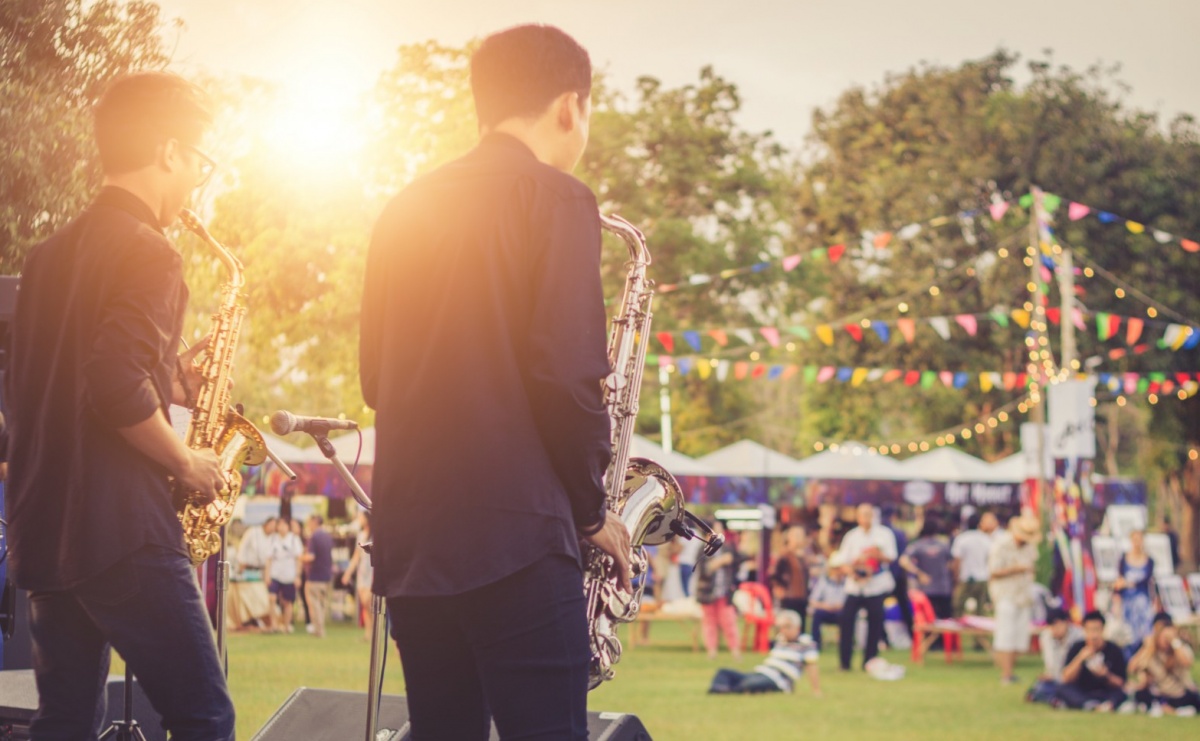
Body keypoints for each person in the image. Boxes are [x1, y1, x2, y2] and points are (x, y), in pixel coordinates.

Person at [358, 24, 631, 740]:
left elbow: (375, 379)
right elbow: (567, 375)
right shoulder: (559, 198)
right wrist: (592, 511)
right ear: (570, 107)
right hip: (518, 541)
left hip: (413, 543)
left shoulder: (403, 206)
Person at [3, 71, 235, 739]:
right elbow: (110, 383)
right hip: (121, 530)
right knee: (205, 717)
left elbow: (48, 386)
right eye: (197, 162)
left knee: (65, 722)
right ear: (168, 151)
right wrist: (186, 460)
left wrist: (167, 379)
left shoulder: (46, 258)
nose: (195, 181)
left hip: (46, 529)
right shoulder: (152, 252)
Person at [836, 504, 898, 671]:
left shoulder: (884, 534)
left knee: (875, 623)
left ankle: (869, 661)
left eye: (868, 514)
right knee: (846, 620)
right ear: (857, 517)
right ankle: (845, 662)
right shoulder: (852, 536)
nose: (866, 518)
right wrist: (852, 571)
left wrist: (875, 555)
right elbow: (842, 560)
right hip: (855, 586)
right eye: (862, 515)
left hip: (876, 585)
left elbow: (891, 557)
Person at [707, 610, 821, 696]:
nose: (783, 631)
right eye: (780, 628)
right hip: (762, 672)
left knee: (749, 684)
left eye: (787, 627)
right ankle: (722, 690)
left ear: (797, 628)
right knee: (723, 672)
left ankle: (727, 691)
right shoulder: (780, 640)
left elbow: (812, 666)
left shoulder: (806, 643)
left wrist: (816, 690)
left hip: (778, 680)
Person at [988, 513, 1041, 685]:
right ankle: (1006, 673)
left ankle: (1010, 671)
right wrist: (1015, 569)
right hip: (1006, 594)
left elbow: (1032, 565)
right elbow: (993, 572)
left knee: (1020, 636)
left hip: (1023, 595)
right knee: (1006, 634)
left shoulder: (1029, 547)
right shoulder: (1001, 545)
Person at [1129, 613, 1199, 715]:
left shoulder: (1180, 647)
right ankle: (1169, 709)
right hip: (1160, 694)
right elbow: (1132, 669)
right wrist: (1146, 649)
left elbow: (1187, 663)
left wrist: (1174, 641)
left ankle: (1171, 710)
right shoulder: (1151, 651)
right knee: (1141, 694)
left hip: (1180, 693)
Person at [1058, 610, 1128, 711]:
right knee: (1062, 689)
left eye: (1096, 630)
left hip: (1105, 692)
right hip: (1082, 692)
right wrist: (1080, 658)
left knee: (1121, 693)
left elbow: (1122, 683)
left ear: (1103, 630)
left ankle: (1107, 705)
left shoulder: (1114, 650)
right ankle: (1088, 705)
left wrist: (1106, 675)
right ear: (1084, 630)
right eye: (1090, 630)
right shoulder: (1077, 647)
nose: (1093, 635)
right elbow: (1065, 678)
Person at [695, 520, 742, 660]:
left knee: (729, 621)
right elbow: (702, 570)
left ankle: (735, 650)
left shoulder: (727, 547)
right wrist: (718, 562)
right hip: (708, 592)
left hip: (724, 592)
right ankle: (712, 651)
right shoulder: (703, 549)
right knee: (709, 622)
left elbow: (738, 562)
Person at [1112, 529, 1156, 653]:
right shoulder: (1123, 559)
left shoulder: (1149, 560)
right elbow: (1119, 581)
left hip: (1142, 601)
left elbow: (1147, 581)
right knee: (1127, 630)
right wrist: (1117, 598)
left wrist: (1128, 583)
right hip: (1127, 601)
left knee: (1144, 629)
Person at [1027, 608, 1083, 704]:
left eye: (1057, 625)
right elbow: (1050, 663)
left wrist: (1057, 676)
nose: (1054, 630)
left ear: (1066, 623)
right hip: (1055, 678)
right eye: (1052, 626)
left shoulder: (1079, 636)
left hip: (1074, 678)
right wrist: (1050, 676)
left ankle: (1056, 698)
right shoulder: (1046, 636)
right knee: (1041, 686)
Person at [900, 521, 954, 619]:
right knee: (946, 620)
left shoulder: (917, 545)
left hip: (926, 588)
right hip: (943, 587)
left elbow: (903, 561)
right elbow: (951, 563)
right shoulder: (944, 544)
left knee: (928, 620)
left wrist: (919, 573)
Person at [951, 512, 996, 616]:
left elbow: (957, 561)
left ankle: (959, 625)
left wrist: (955, 578)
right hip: (982, 578)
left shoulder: (962, 538)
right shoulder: (986, 539)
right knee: (980, 610)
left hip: (965, 577)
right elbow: (990, 560)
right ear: (979, 524)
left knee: (958, 608)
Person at [771, 525, 814, 633]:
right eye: (796, 535)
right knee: (788, 626)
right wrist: (780, 590)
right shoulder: (784, 555)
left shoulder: (803, 557)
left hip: (801, 598)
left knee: (800, 628)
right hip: (788, 598)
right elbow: (774, 575)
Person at [265, 517, 303, 633]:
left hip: (289, 575)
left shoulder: (294, 539)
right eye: (279, 525)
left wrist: (297, 576)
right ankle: (274, 624)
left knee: (287, 602)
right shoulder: (272, 539)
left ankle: (286, 625)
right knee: (272, 598)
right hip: (275, 573)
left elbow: (298, 559)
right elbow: (269, 559)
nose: (281, 527)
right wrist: (267, 574)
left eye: (284, 525)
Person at [342, 512, 376, 641]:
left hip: (372, 571)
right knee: (365, 605)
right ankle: (368, 633)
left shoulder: (375, 535)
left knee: (369, 602)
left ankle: (374, 632)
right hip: (362, 572)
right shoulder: (361, 535)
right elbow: (356, 557)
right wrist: (348, 573)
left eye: (361, 517)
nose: (359, 520)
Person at [302, 514, 334, 637]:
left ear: (315, 522)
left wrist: (299, 557)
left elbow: (311, 556)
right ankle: (320, 628)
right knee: (321, 604)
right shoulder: (327, 536)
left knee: (314, 604)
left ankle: (319, 630)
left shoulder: (313, 537)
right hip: (326, 576)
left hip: (314, 576)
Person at [808, 552, 848, 651]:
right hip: (826, 610)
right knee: (817, 614)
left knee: (847, 615)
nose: (838, 572)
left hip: (841, 612)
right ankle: (816, 643)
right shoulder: (824, 581)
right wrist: (824, 606)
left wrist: (841, 606)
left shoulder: (847, 583)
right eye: (836, 569)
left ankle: (845, 643)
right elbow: (812, 600)